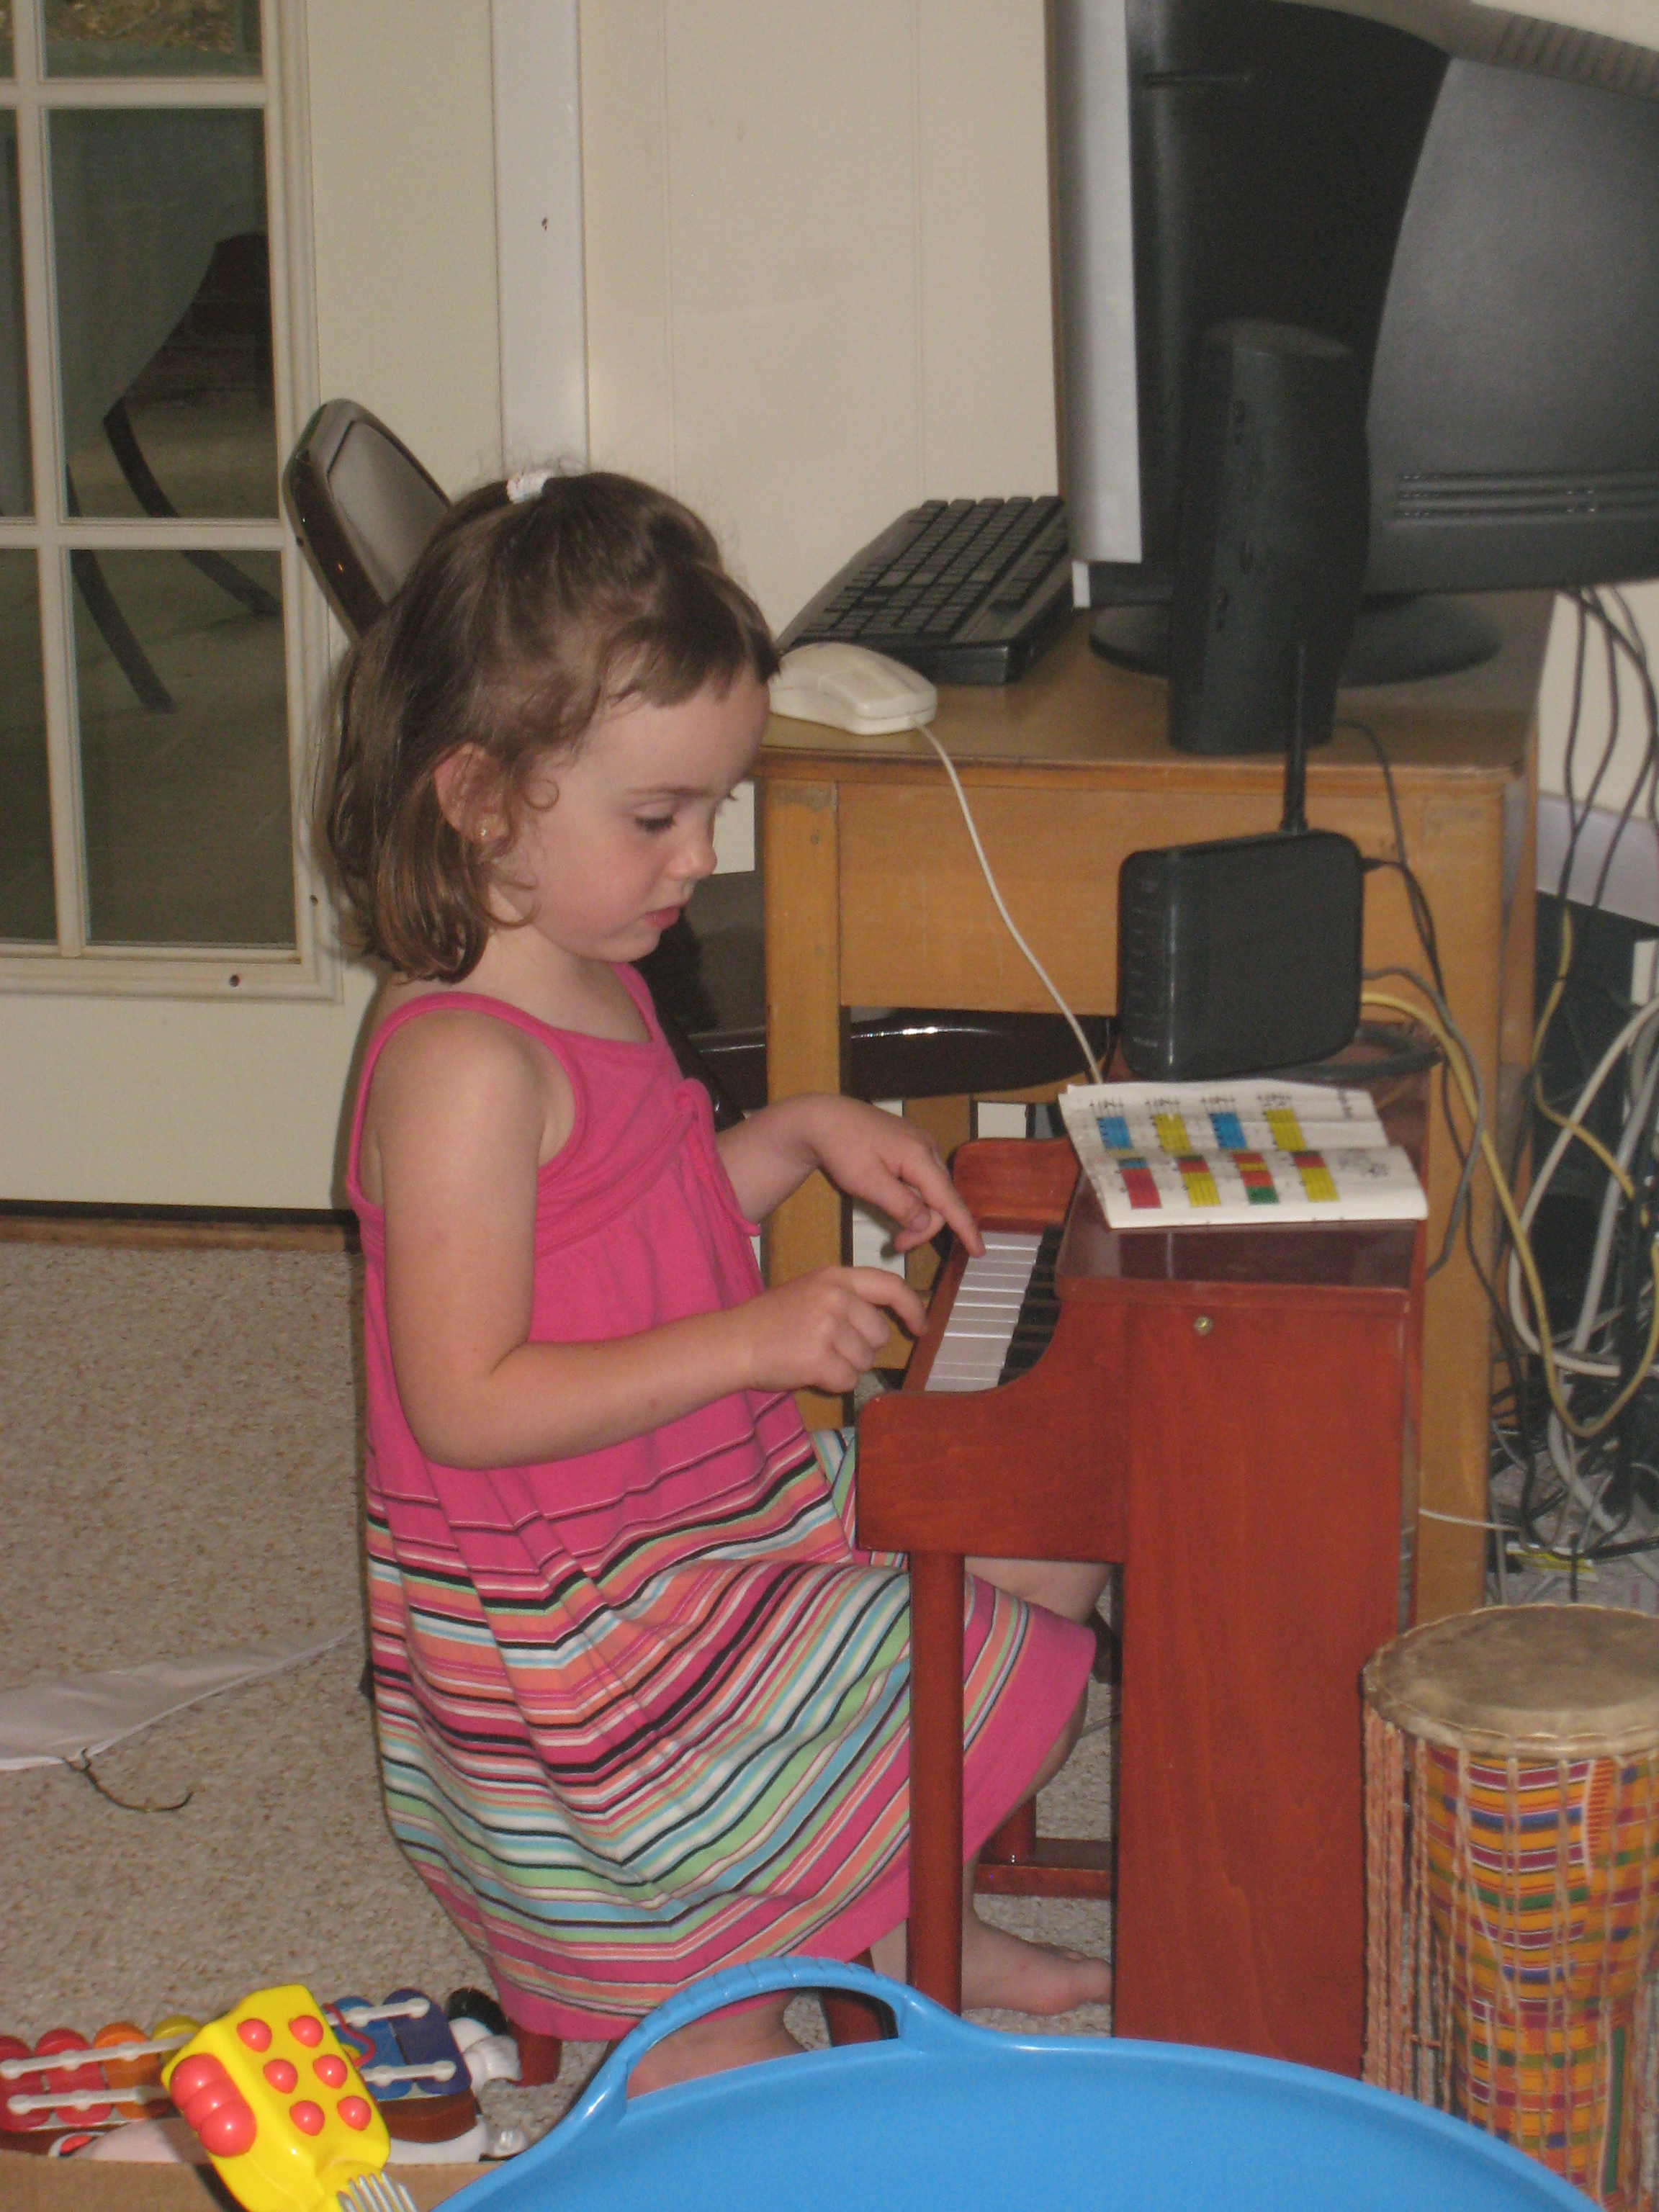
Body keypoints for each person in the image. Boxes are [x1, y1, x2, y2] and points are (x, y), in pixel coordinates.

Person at [322, 467, 1111, 2093]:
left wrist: (796, 1134)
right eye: (656, 818)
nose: (696, 859)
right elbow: (464, 1403)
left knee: (1047, 1525)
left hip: (708, 1513)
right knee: (729, 2068)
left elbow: (633, 1212)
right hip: (590, 1632)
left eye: (715, 809)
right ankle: (746, 1977)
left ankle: (912, 1919)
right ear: (479, 798)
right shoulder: (460, 1064)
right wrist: (752, 1344)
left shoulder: (590, 958)